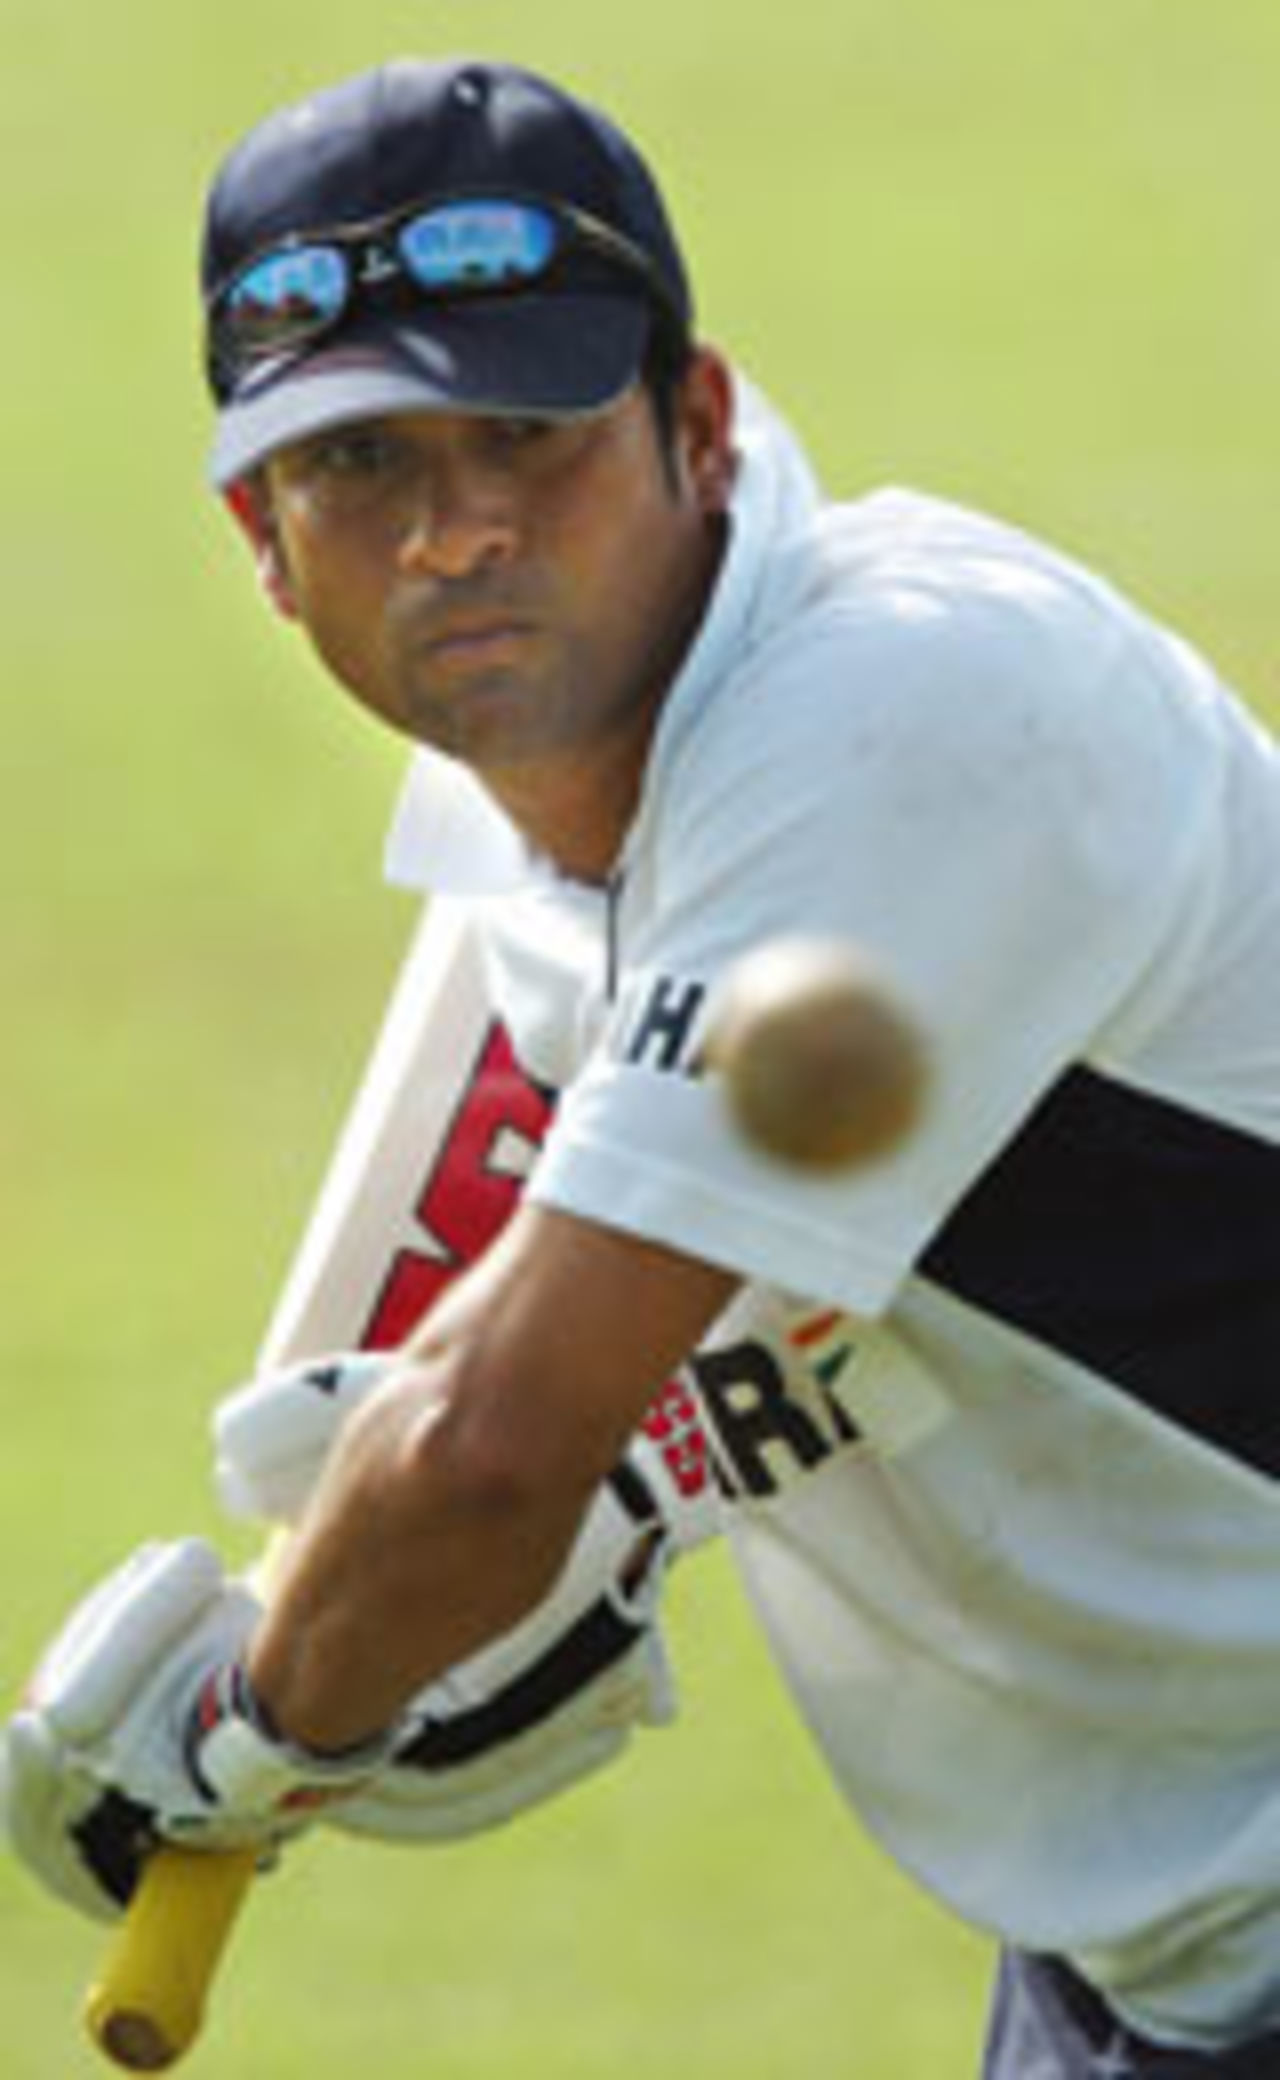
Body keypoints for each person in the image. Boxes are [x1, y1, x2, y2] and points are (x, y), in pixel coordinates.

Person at [6, 53, 1280, 2079]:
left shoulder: (910, 702)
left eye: (527, 431)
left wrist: (256, 1718)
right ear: (260, 536)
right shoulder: (532, 868)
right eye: (361, 469)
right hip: (1142, 1948)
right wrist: (446, 1573)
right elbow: (569, 1427)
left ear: (698, 422)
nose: (455, 530)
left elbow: (499, 1443)